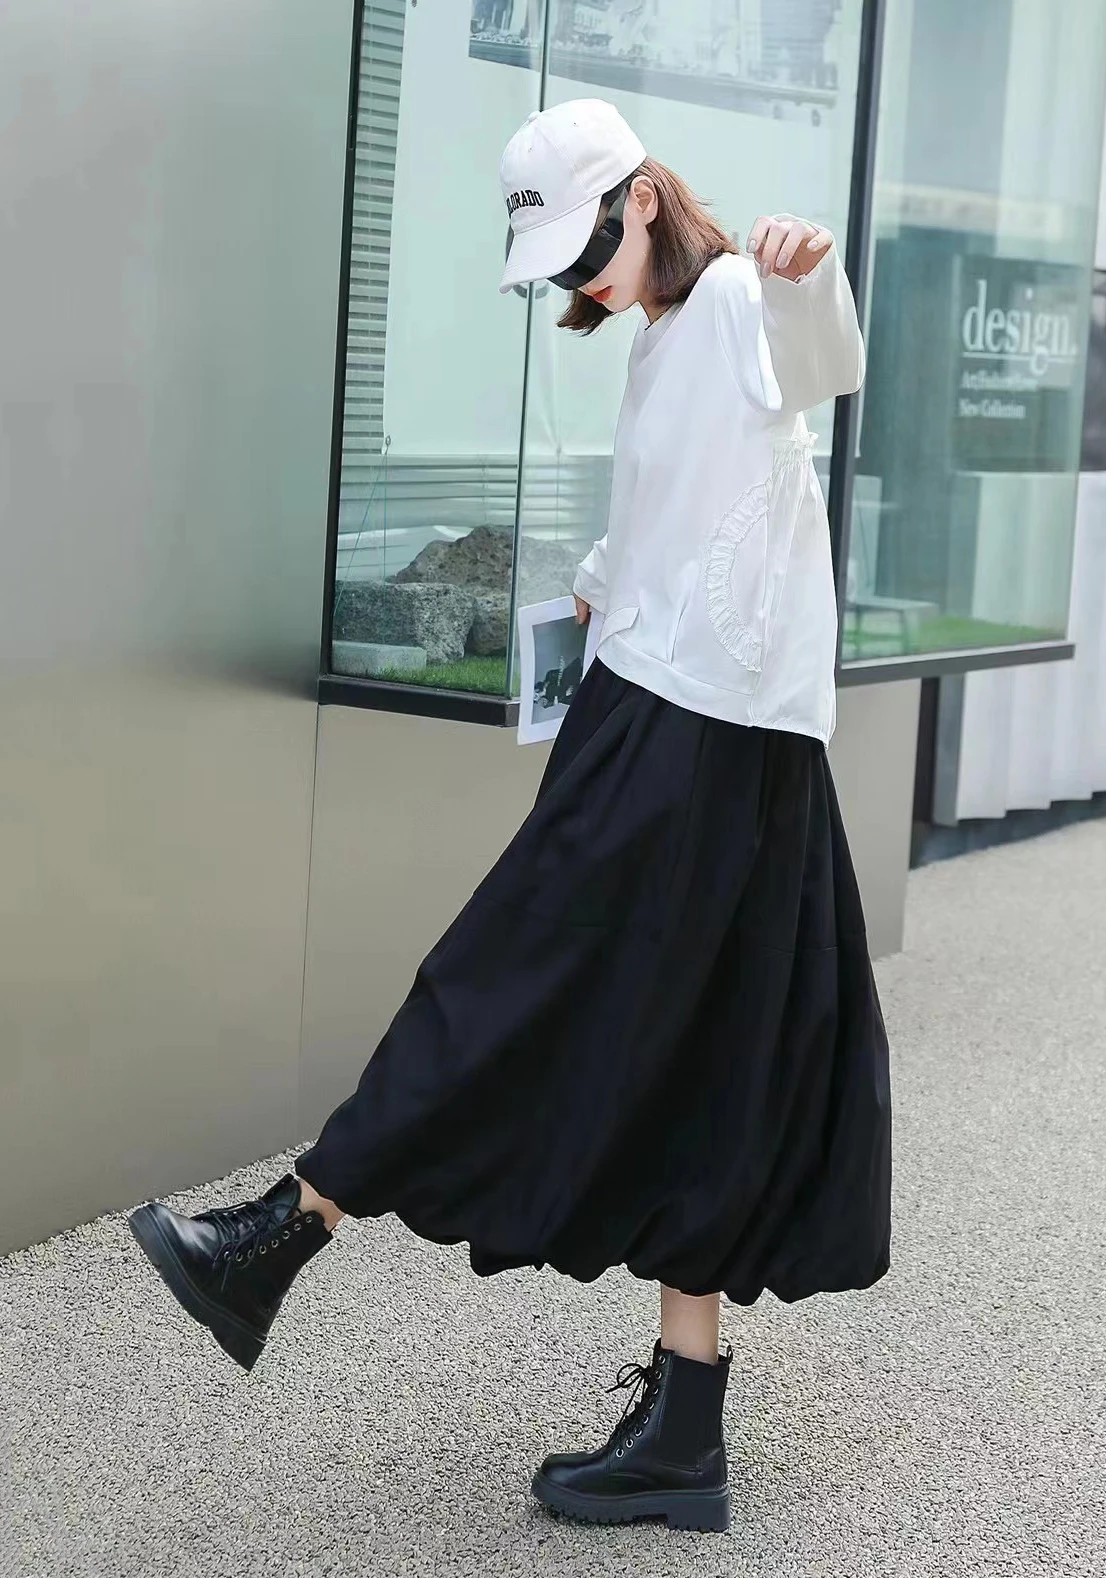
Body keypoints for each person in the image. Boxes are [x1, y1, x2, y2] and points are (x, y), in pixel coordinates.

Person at [128, 97, 891, 1536]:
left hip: (696, 735)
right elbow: (673, 508)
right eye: (558, 270)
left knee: (507, 975)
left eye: (585, 249)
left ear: (642, 200)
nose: (578, 282)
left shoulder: (738, 298)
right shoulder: (665, 337)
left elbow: (822, 364)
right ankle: (684, 1426)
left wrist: (810, 270)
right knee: (703, 1051)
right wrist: (600, 581)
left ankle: (285, 1232)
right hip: (683, 725)